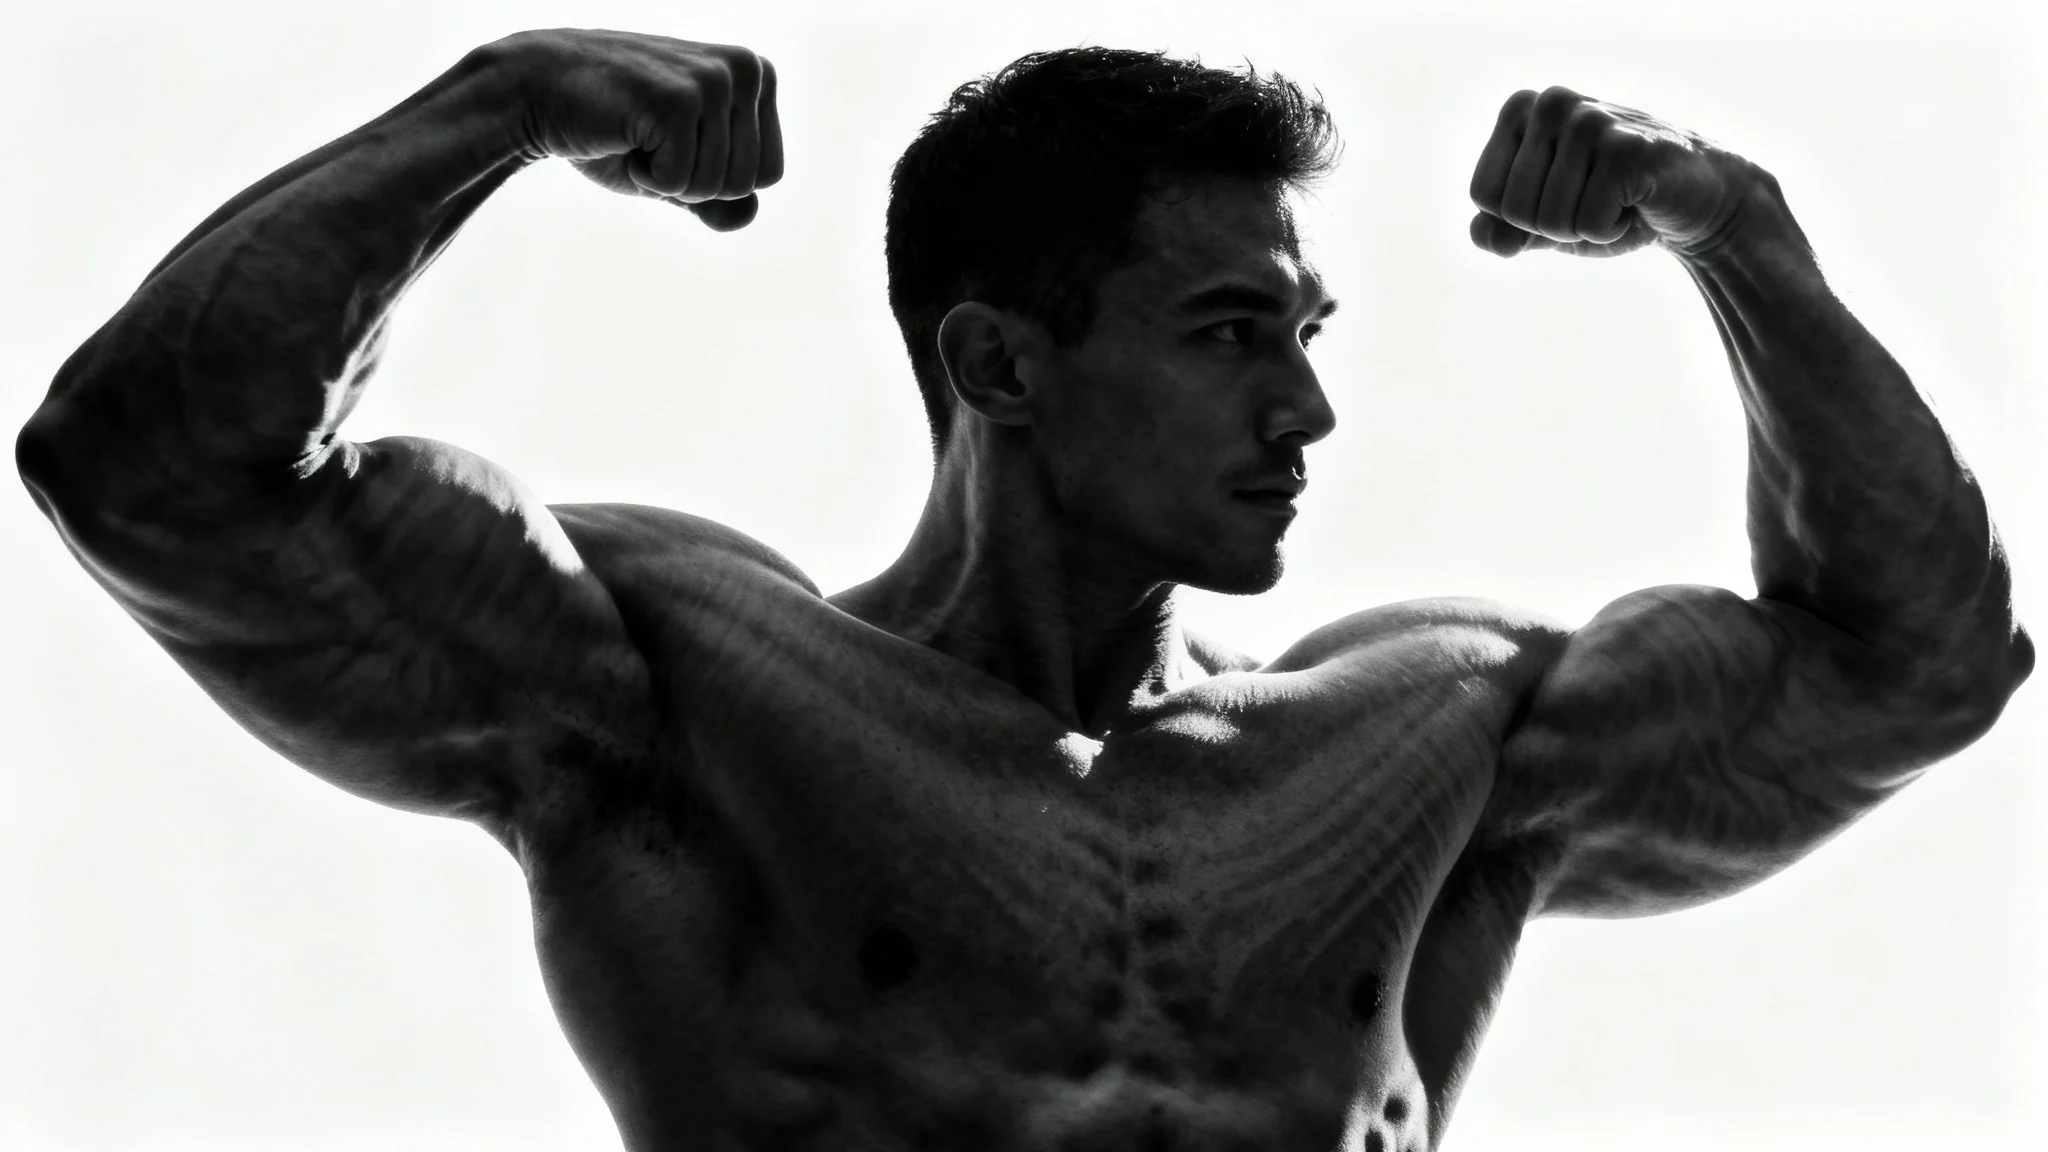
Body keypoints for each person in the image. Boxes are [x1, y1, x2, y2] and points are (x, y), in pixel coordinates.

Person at [13, 26, 2031, 1152]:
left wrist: (1734, 229)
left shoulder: (1429, 741)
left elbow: (1926, 658)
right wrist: (498, 109)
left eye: (1309, 334)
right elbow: (148, 474)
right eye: (1231, 333)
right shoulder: (681, 687)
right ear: (1000, 364)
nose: (1309, 407)